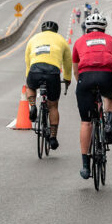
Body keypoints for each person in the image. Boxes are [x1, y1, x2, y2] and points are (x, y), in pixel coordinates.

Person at [72, 12, 112, 180]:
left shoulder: (79, 42)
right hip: (106, 76)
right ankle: (109, 125)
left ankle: (85, 167)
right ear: (104, 28)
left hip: (85, 78)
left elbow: (75, 71)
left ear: (86, 28)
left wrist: (83, 85)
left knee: (86, 122)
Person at [25, 19, 73, 150]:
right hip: (52, 73)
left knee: (30, 87)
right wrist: (67, 78)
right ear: (55, 31)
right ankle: (52, 137)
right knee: (53, 106)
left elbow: (27, 60)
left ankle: (33, 105)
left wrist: (28, 77)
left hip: (35, 69)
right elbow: (68, 62)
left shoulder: (34, 39)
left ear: (43, 30)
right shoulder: (61, 39)